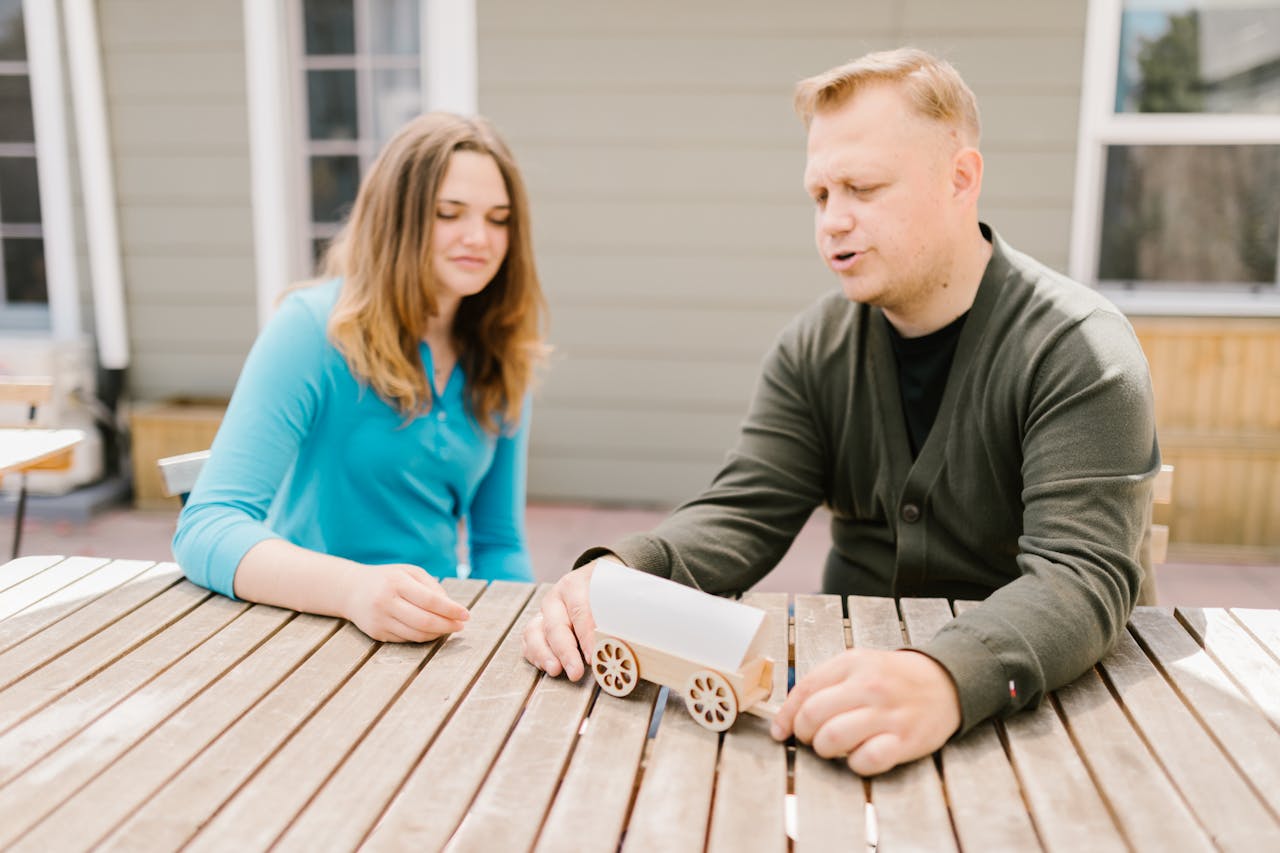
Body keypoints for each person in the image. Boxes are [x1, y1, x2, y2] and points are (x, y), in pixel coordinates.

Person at [521, 48, 1160, 775]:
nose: (832, 222)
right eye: (820, 195)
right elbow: (743, 512)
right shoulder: (813, 349)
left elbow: (1080, 577)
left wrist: (946, 676)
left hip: (1049, 720)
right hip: (842, 716)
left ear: (962, 179)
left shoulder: (1079, 350)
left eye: (862, 186)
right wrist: (622, 571)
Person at [174, 112, 547, 644]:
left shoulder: (504, 355)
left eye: (499, 218)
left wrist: (517, 639)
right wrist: (354, 590)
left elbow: (498, 542)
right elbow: (208, 524)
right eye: (449, 213)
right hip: (299, 630)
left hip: (431, 638)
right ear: (397, 217)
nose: (478, 237)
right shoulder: (311, 329)